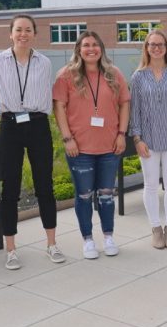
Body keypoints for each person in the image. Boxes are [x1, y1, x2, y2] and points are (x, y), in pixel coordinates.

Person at [0, 14, 66, 270]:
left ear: (34, 33)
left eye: (28, 30)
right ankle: (11, 249)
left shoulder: (44, 62)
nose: (23, 34)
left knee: (45, 184)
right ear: (11, 34)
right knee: (10, 187)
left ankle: (51, 244)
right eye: (18, 30)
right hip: (10, 126)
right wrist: (7, 116)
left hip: (38, 124)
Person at [53, 31, 130, 259]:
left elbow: (125, 104)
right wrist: (68, 138)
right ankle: (87, 239)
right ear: (78, 49)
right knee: (84, 195)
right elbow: (59, 108)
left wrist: (121, 134)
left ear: (101, 49)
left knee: (106, 194)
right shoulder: (66, 76)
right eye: (86, 45)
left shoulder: (113, 73)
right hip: (80, 148)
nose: (91, 49)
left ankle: (108, 236)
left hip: (109, 147)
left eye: (95, 44)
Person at [130, 30, 167, 249]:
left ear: (166, 48)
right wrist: (137, 139)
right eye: (152, 44)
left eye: (160, 44)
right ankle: (156, 228)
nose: (156, 48)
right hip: (147, 140)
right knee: (151, 185)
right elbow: (134, 110)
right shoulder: (138, 77)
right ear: (146, 48)